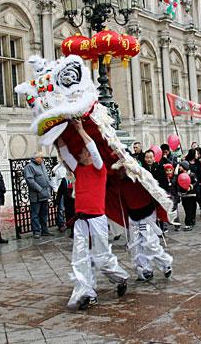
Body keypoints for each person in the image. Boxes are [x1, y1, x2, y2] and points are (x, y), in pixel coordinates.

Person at [58, 120, 130, 310]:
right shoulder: (78, 169)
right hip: (81, 220)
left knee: (101, 257)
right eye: (81, 152)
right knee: (80, 257)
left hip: (97, 219)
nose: (80, 154)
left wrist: (81, 129)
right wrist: (55, 135)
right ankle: (87, 293)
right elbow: (65, 153)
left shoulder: (99, 169)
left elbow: (94, 150)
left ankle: (121, 278)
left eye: (82, 152)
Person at [118, 168, 173, 281]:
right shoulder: (119, 183)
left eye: (121, 170)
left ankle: (165, 264)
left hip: (147, 214)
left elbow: (153, 188)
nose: (119, 173)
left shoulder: (140, 176)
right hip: (133, 216)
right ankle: (145, 269)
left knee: (150, 242)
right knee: (136, 245)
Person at [24, 152, 54, 239]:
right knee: (35, 214)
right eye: (41, 157)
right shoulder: (29, 167)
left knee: (44, 213)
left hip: (44, 194)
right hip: (36, 195)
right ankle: (36, 231)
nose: (42, 159)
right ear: (35, 158)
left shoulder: (42, 165)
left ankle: (45, 230)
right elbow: (30, 180)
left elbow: (46, 177)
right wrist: (39, 189)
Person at [177, 161, 197, 231]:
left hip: (191, 195)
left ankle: (188, 224)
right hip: (184, 195)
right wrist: (179, 192)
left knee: (189, 209)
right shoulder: (180, 175)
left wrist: (190, 186)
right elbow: (179, 184)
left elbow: (195, 182)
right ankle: (191, 220)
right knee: (186, 209)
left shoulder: (192, 175)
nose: (179, 167)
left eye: (181, 166)